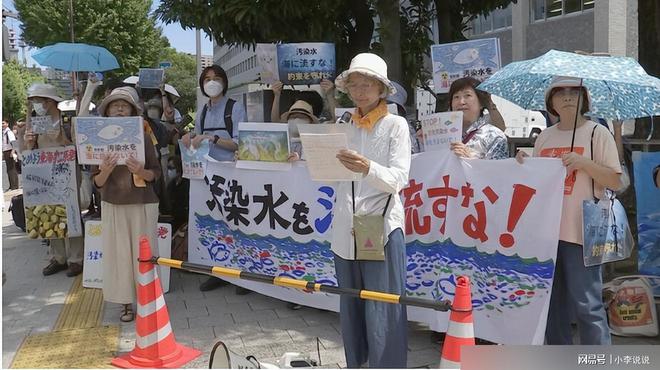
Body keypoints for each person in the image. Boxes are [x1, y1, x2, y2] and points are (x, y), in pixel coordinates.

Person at [516, 76, 621, 345]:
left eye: (574, 92)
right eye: (559, 92)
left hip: (582, 234)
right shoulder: (544, 138)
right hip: (547, 235)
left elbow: (615, 181)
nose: (566, 97)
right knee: (552, 308)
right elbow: (536, 184)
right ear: (550, 102)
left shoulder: (598, 133)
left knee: (588, 306)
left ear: (584, 99)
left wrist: (584, 163)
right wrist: (523, 164)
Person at [332, 53, 411, 368]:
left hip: (377, 224)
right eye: (354, 85)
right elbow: (333, 175)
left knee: (381, 305)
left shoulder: (396, 125)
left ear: (382, 89)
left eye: (367, 84)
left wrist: (368, 168)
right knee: (350, 304)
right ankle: (357, 364)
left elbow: (399, 179)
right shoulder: (343, 124)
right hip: (344, 226)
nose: (360, 91)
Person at [92, 86, 161, 322]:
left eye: (125, 105)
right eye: (114, 105)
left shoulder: (143, 136)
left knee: (145, 254)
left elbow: (156, 173)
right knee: (119, 256)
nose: (120, 108)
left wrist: (141, 170)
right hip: (113, 203)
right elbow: (97, 182)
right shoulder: (97, 140)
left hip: (143, 202)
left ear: (133, 111)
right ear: (107, 112)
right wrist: (105, 170)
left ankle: (148, 300)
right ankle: (125, 303)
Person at [181, 64, 249, 294]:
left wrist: (212, 137)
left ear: (224, 82)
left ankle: (243, 275)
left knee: (237, 223)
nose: (211, 82)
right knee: (215, 223)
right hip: (208, 175)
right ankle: (218, 271)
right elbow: (197, 138)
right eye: (207, 78)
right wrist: (190, 137)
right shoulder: (203, 110)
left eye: (216, 78)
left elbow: (240, 143)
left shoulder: (235, 107)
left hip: (231, 174)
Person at [23, 83, 85, 277]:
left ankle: (76, 259)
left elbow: (79, 147)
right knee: (50, 214)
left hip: (67, 174)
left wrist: (64, 141)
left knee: (71, 214)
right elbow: (28, 151)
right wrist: (29, 142)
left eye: (37, 101)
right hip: (44, 175)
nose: (35, 105)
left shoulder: (67, 120)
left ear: (49, 101)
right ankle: (58, 257)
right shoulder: (35, 122)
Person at [445, 77, 508, 160]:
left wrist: (470, 160)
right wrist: (423, 142)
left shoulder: (494, 136)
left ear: (481, 103)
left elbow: (499, 170)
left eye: (468, 95)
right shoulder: (441, 134)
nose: (461, 102)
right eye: (456, 97)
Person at [3, 120, 19, 191]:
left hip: (10, 151)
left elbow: (14, 142)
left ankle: (14, 186)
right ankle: (12, 185)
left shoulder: (9, 132)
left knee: (12, 169)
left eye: (3, 123)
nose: (2, 125)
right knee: (9, 169)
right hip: (6, 151)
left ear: (7, 124)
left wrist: (13, 151)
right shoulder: (4, 132)